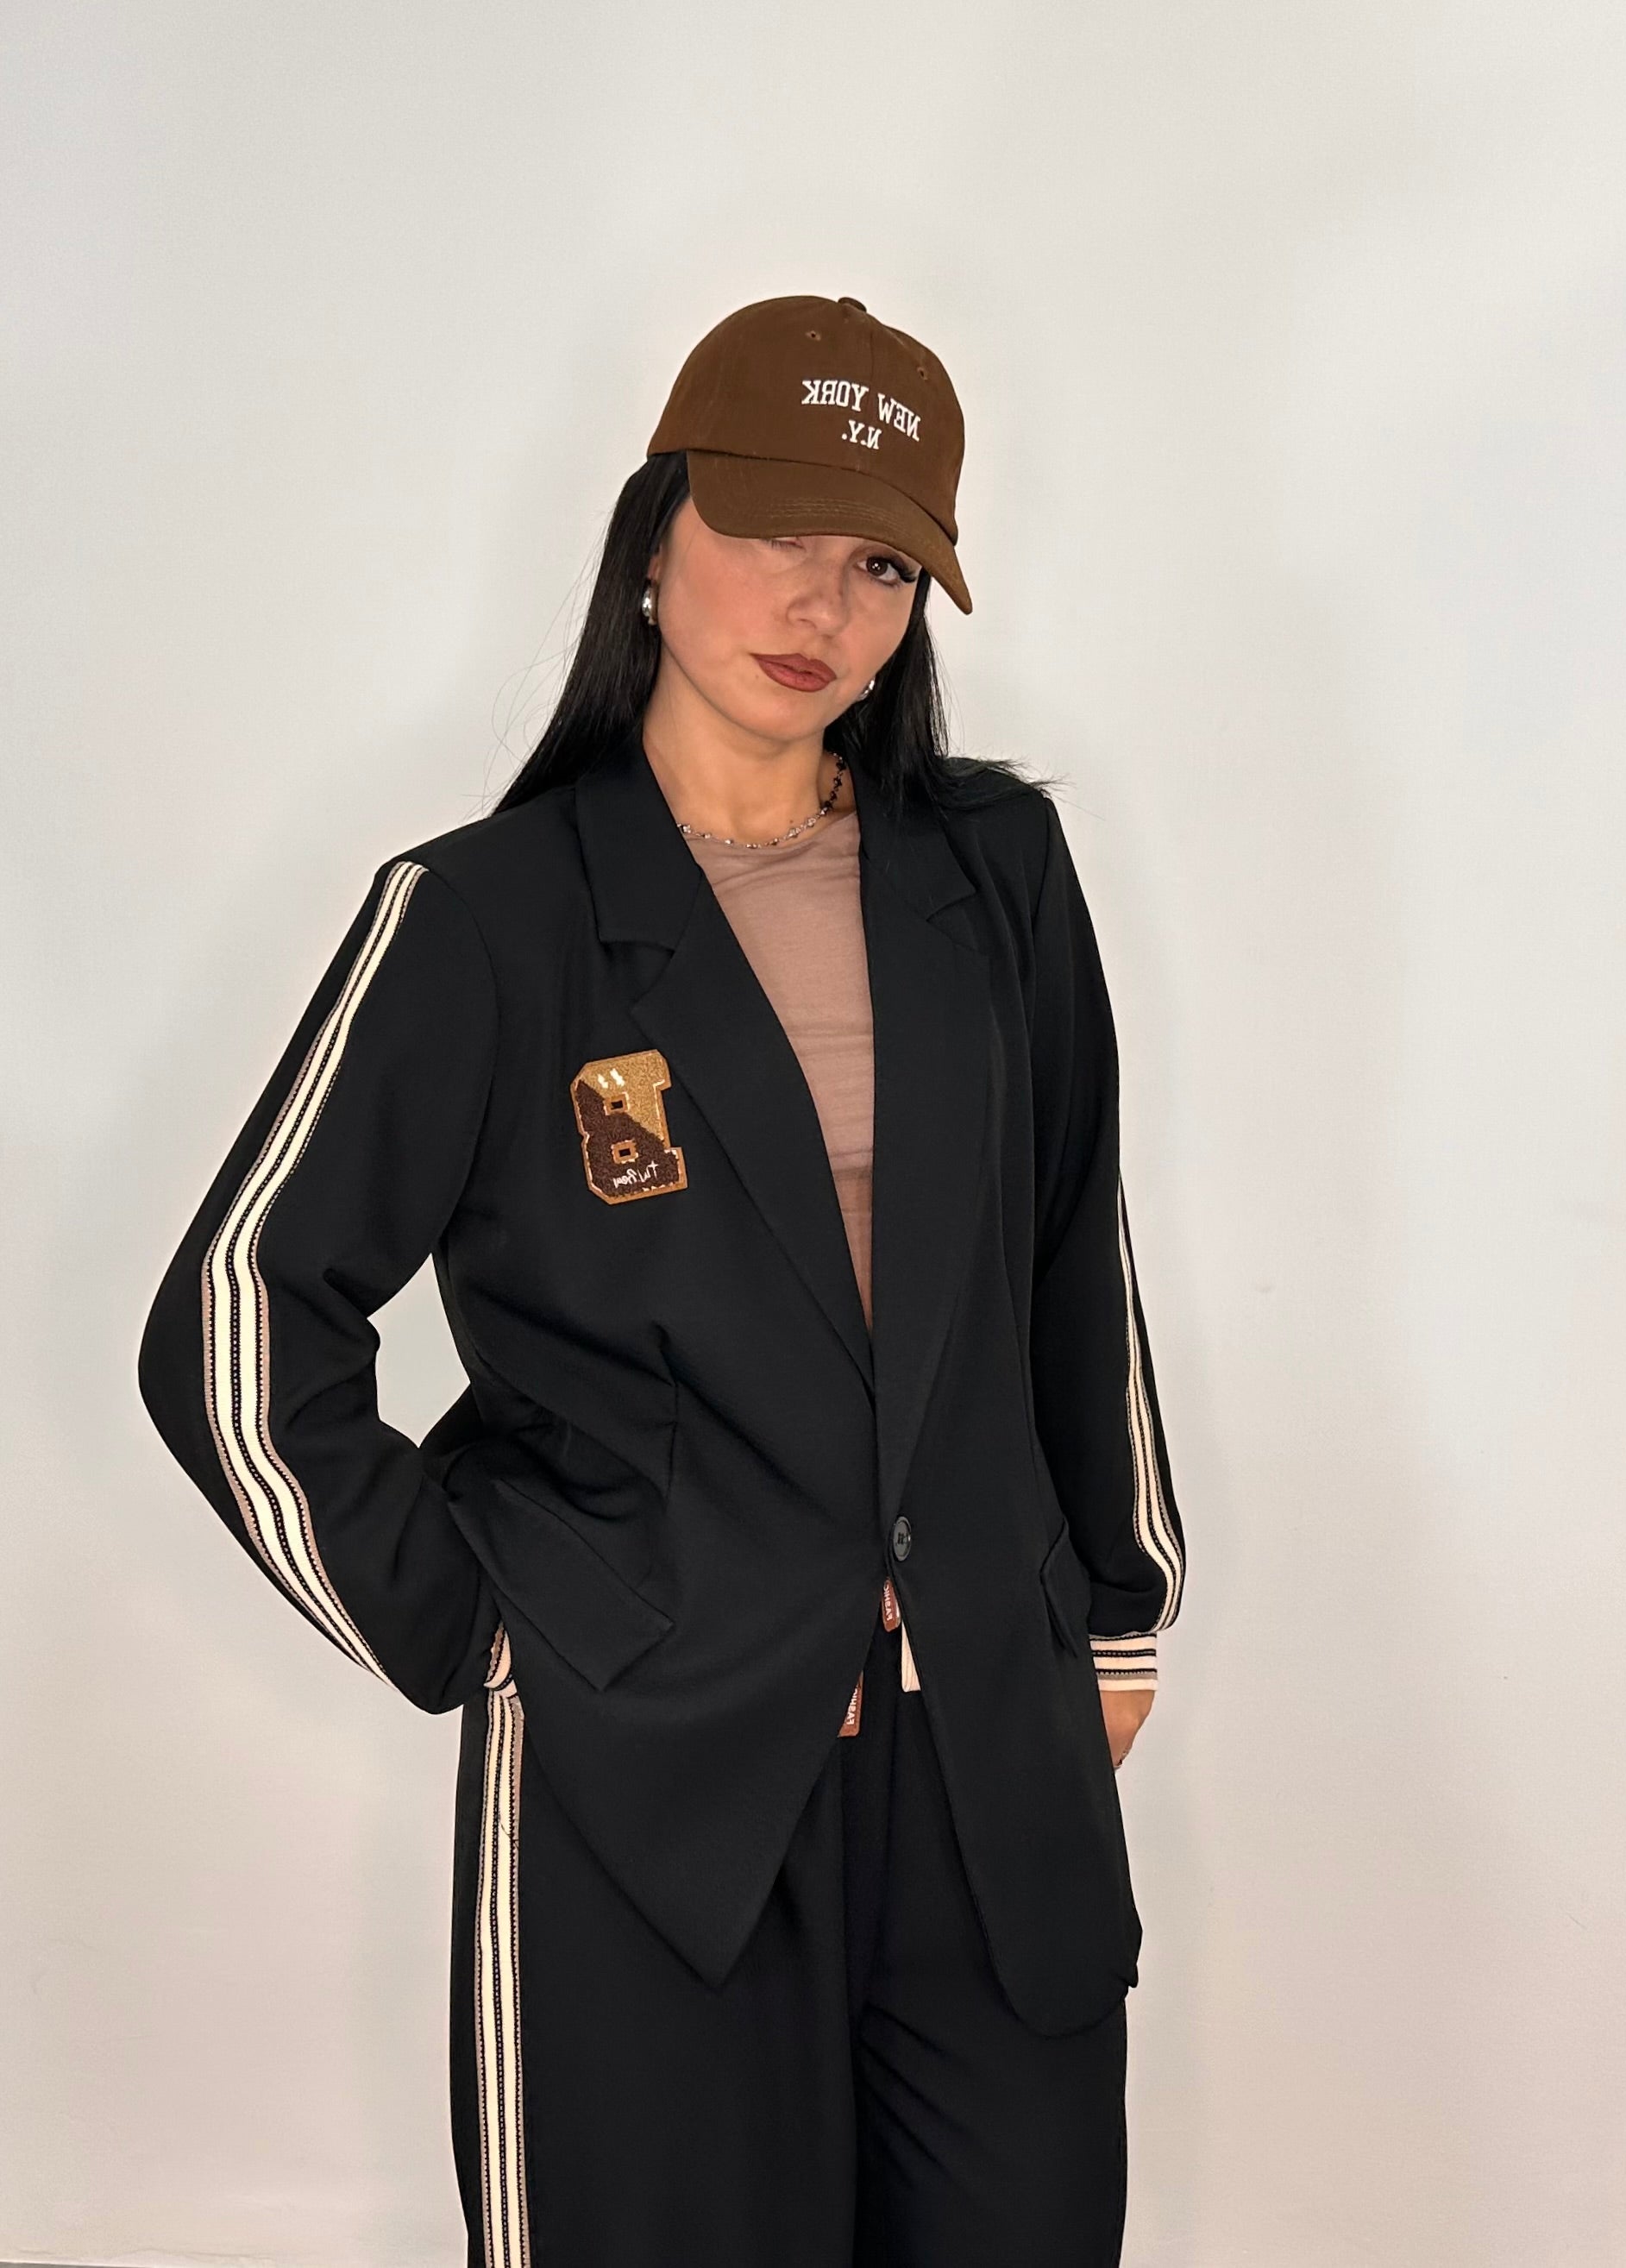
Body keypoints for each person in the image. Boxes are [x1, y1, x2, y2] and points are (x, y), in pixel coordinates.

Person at [138, 292, 1187, 2268]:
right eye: (772, 529)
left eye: (881, 563)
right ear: (652, 533)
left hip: (989, 1774)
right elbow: (235, 1318)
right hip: (655, 1787)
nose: (821, 604)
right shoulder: (486, 918)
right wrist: (490, 1629)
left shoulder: (994, 874)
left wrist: (1114, 1608)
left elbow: (1068, 1246)